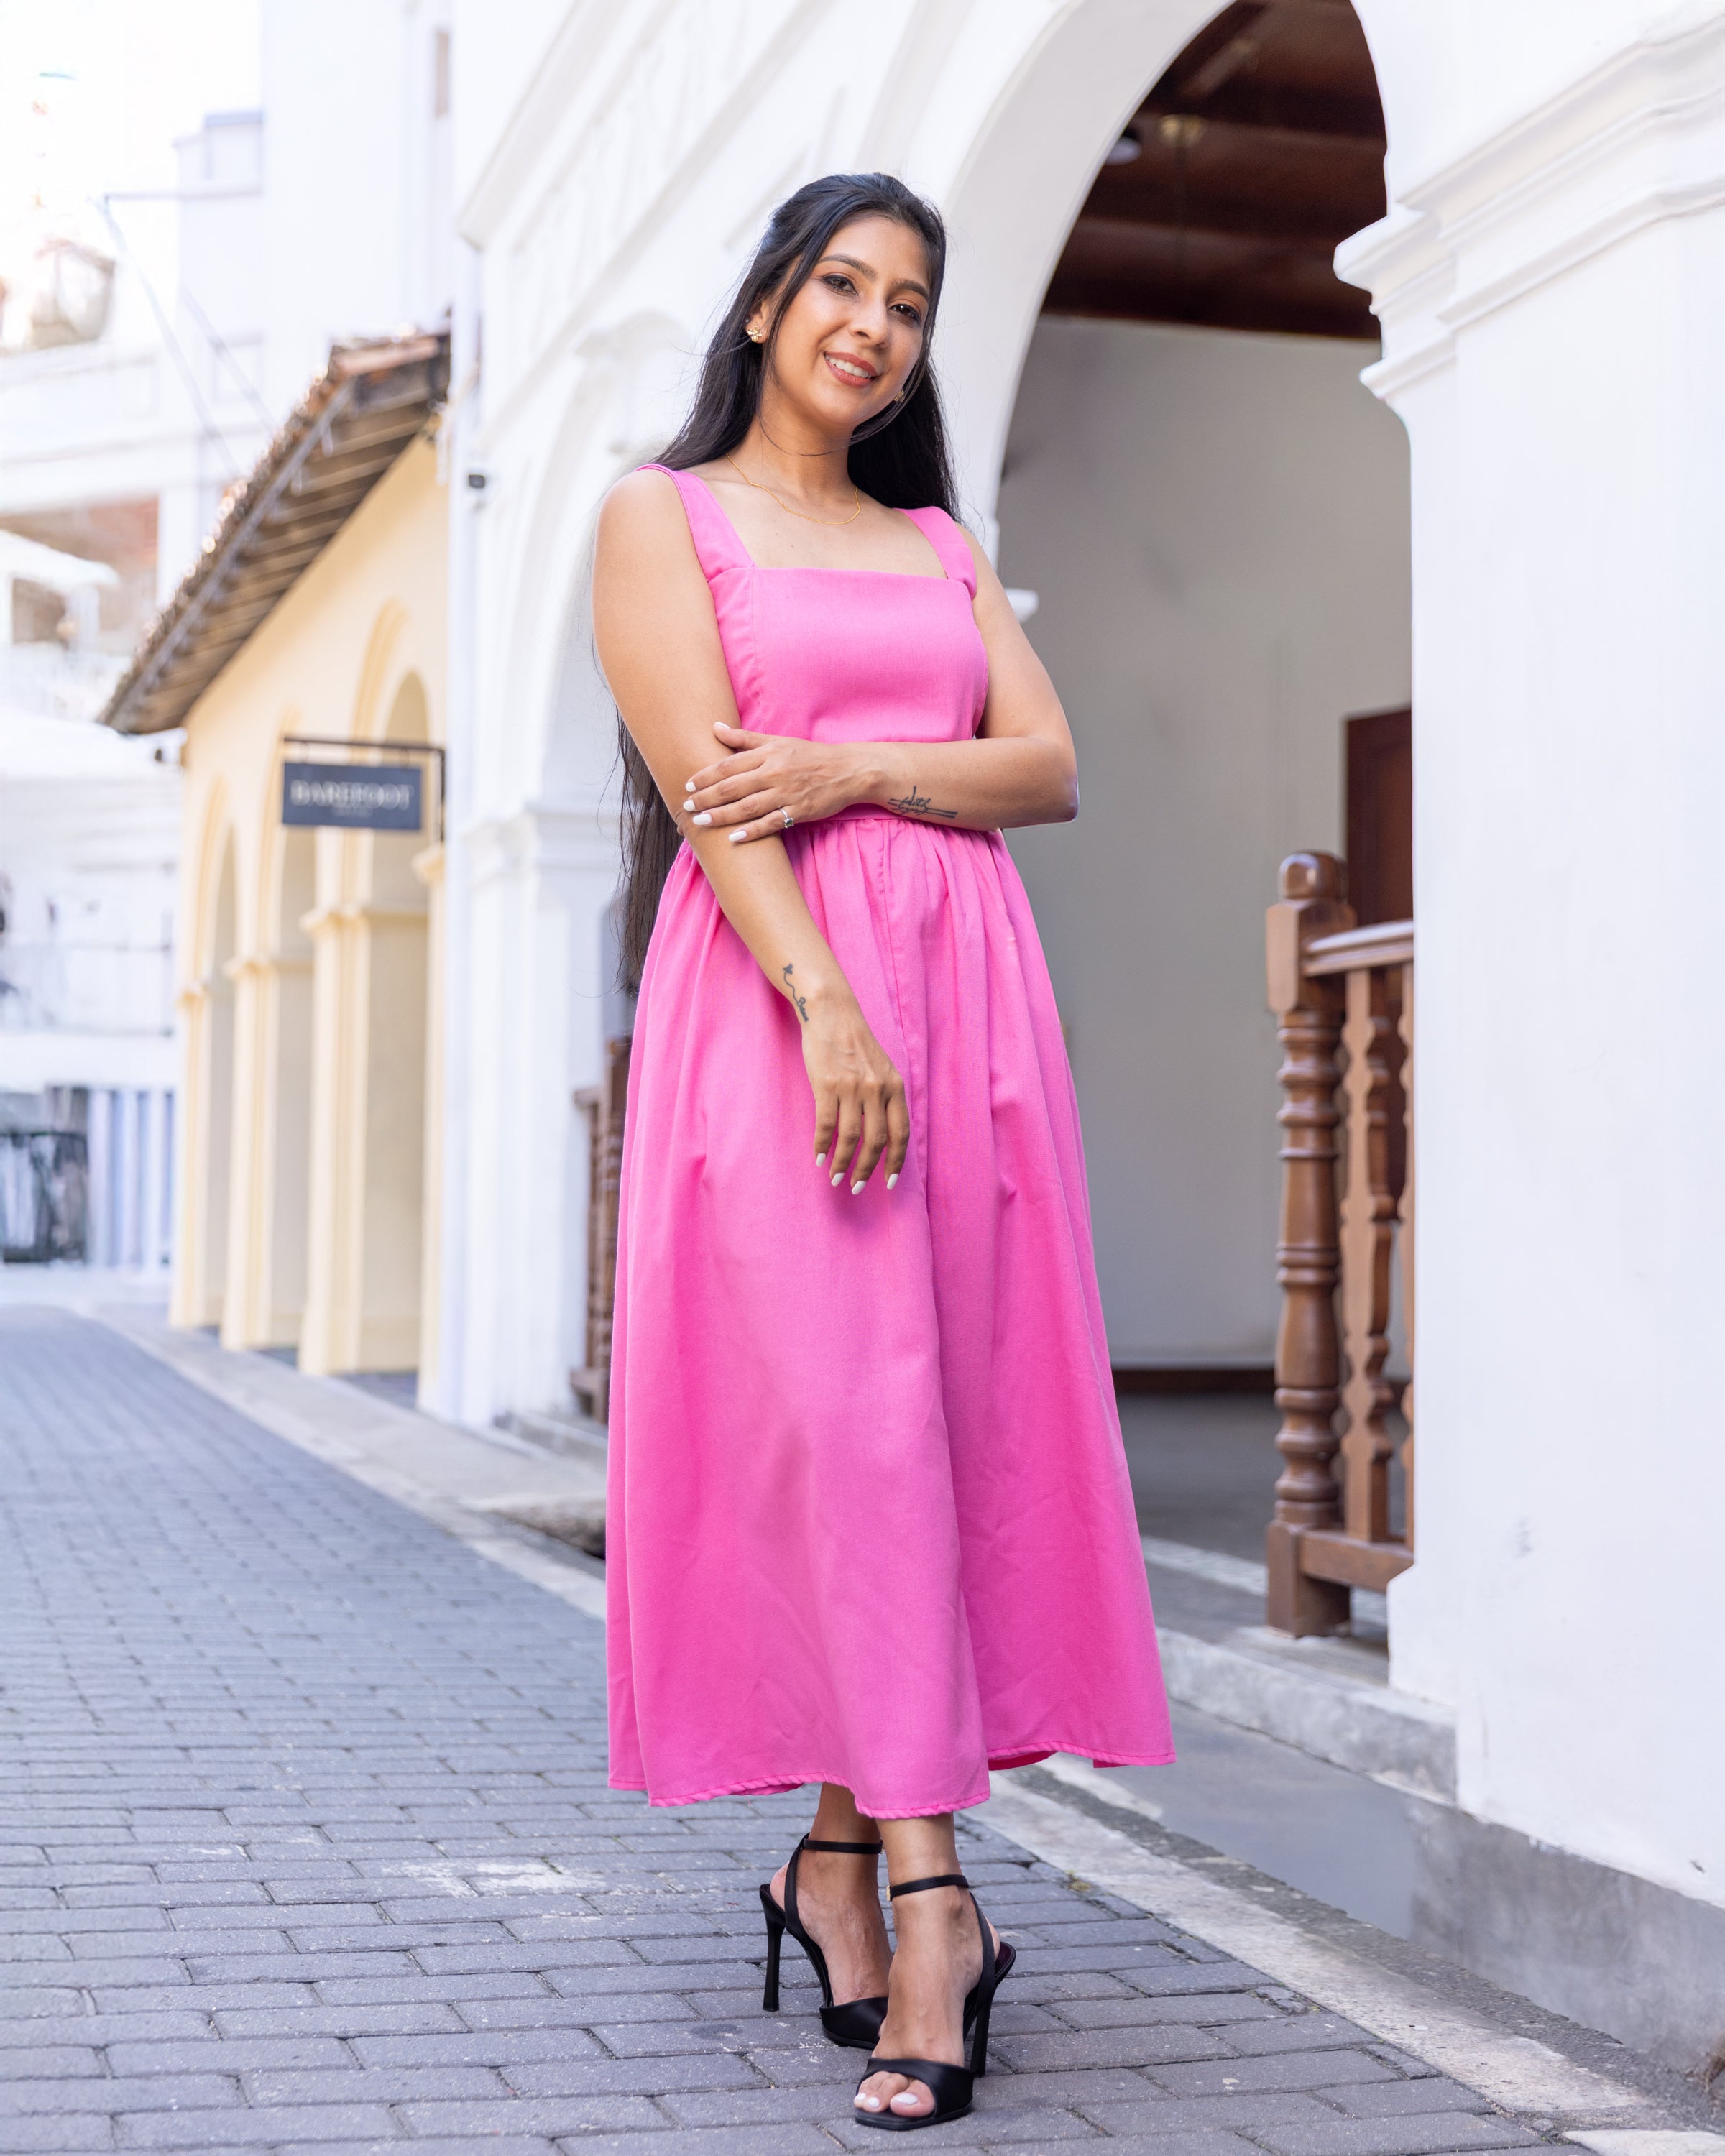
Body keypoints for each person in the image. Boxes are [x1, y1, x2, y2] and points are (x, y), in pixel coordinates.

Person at [592, 170, 1172, 2133]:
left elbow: (1050, 767)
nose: (872, 324)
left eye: (908, 304)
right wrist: (826, 999)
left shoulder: (936, 537)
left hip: (975, 1017)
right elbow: (703, 786)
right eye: (840, 283)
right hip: (785, 1013)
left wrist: (851, 762)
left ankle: (830, 1863)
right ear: (766, 304)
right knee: (846, 1429)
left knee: (941, 1433)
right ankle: (934, 1905)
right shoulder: (655, 518)